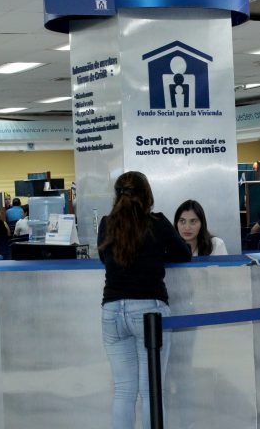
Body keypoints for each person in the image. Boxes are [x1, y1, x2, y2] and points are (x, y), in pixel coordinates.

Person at [97, 171, 191, 429]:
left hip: (112, 310)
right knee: (151, 391)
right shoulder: (157, 223)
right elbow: (184, 254)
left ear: (117, 196)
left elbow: (105, 258)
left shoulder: (106, 224)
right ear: (147, 195)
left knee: (124, 391)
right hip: (149, 311)